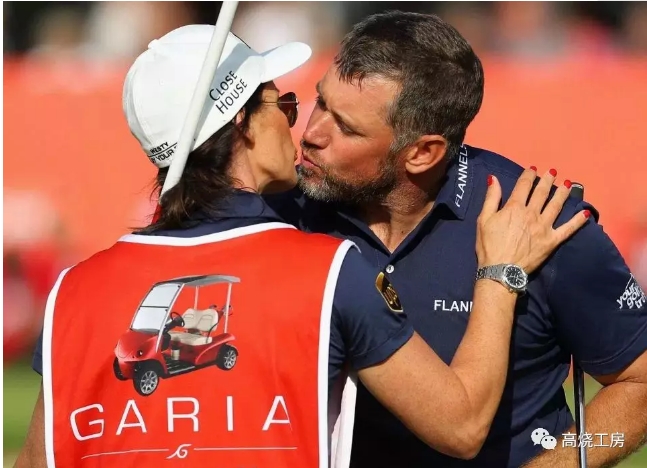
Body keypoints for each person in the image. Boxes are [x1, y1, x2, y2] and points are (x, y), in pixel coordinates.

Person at [15, 25, 587, 468]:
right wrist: (501, 272)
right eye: (283, 106)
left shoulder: (73, 291)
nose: (303, 129)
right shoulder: (329, 271)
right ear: (243, 124)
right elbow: (461, 426)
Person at [264, 11, 647, 468]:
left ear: (422, 153)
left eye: (345, 127)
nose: (310, 134)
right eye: (321, 102)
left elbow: (640, 382)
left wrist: (554, 466)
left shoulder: (541, 223)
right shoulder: (279, 210)